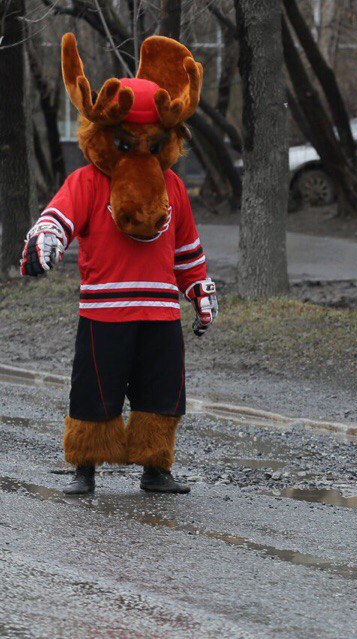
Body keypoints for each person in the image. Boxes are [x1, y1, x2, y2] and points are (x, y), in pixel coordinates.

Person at [20, 33, 218, 495]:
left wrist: (199, 289)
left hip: (160, 312)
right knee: (93, 394)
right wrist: (45, 240)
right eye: (129, 144)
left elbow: (186, 248)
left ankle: (156, 468)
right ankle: (85, 467)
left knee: (162, 395)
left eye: (151, 143)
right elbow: (59, 217)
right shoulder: (88, 181)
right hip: (103, 313)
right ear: (106, 136)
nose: (140, 153)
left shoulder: (172, 186)